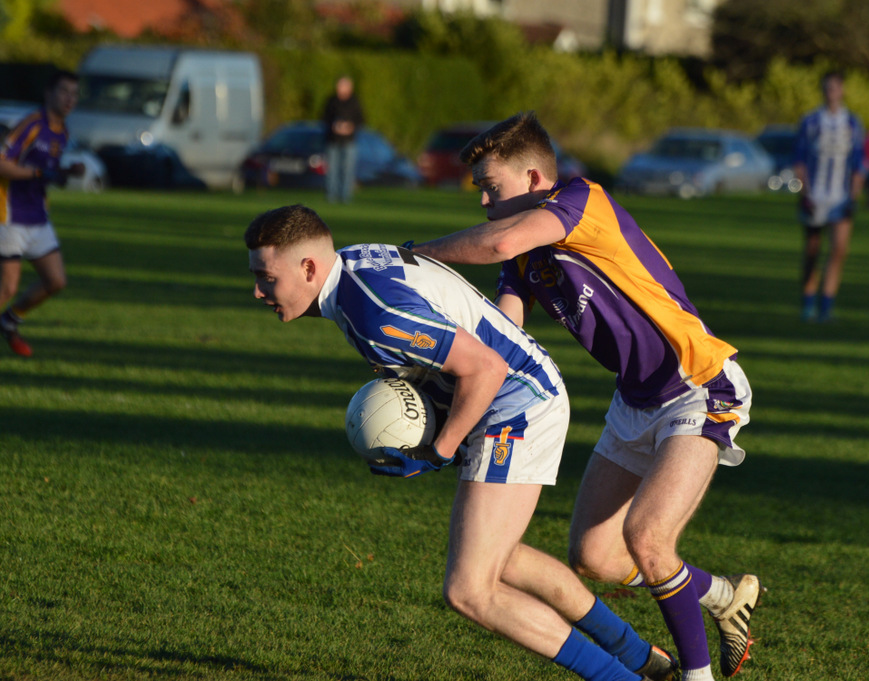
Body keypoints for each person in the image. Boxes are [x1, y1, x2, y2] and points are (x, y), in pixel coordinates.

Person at [245, 204, 681, 681]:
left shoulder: (373, 310)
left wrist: (441, 449)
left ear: (309, 267)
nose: (258, 291)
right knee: (502, 557)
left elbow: (486, 368)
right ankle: (643, 659)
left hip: (517, 402)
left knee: (471, 591)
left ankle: (623, 677)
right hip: (512, 392)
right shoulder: (349, 268)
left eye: (267, 278)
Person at [409, 112, 761, 681]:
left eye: (489, 188)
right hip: (635, 401)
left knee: (647, 540)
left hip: (699, 384)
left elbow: (497, 241)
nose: (483, 203)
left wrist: (417, 255)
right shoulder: (524, 255)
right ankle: (720, 596)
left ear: (531, 178)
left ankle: (695, 677)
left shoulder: (581, 200)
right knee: (595, 557)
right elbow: (507, 335)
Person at [0, 69, 85, 357]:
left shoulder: (63, 133)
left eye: (74, 94)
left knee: (56, 281)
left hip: (37, 217)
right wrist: (38, 171)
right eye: (64, 92)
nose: (69, 99)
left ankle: (9, 321)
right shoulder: (31, 125)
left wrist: (64, 173)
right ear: (48, 93)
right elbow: (2, 164)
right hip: (9, 215)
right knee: (7, 288)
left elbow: (43, 175)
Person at [793, 70, 866, 323]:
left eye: (835, 88)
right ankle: (808, 303)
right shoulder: (811, 121)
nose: (830, 92)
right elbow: (799, 161)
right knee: (812, 251)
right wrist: (805, 193)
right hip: (815, 197)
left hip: (841, 198)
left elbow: (859, 163)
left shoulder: (852, 123)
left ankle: (827, 305)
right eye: (826, 88)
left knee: (838, 250)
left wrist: (853, 197)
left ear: (842, 90)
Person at [322, 76, 364, 204]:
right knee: (332, 169)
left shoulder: (355, 102)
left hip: (349, 141)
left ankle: (345, 195)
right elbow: (324, 118)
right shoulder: (331, 101)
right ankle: (331, 195)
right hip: (333, 140)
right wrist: (334, 126)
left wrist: (350, 127)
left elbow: (361, 120)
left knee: (347, 169)